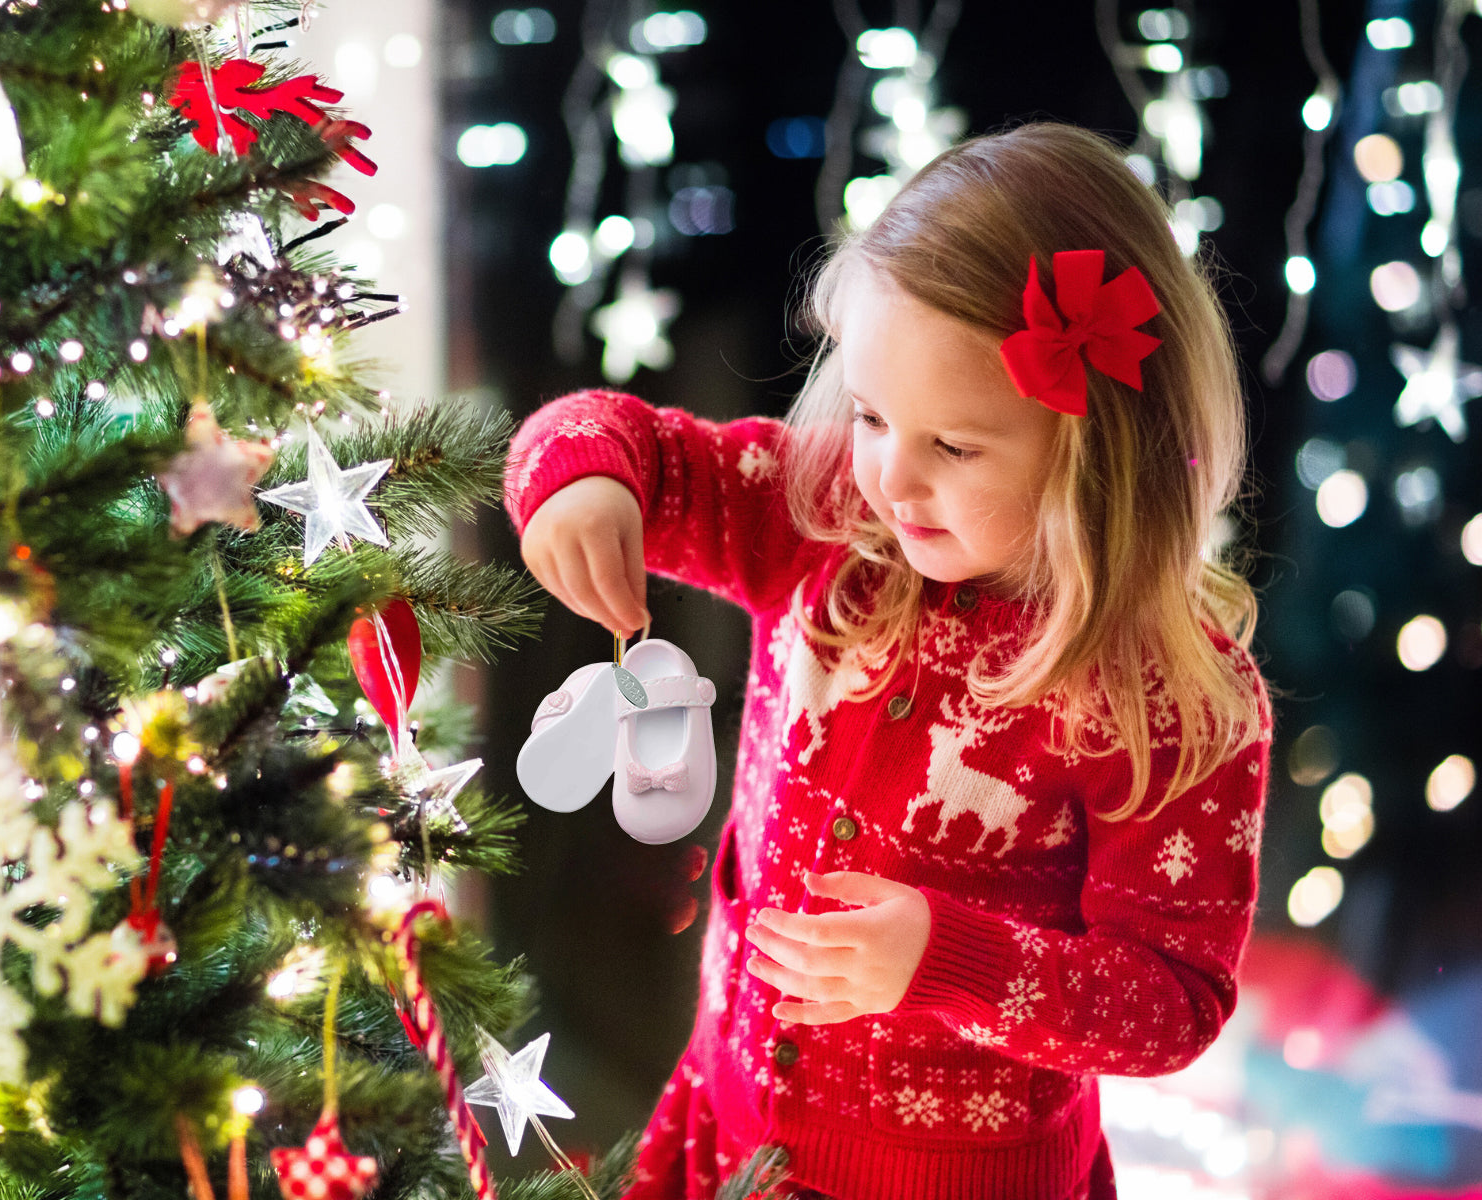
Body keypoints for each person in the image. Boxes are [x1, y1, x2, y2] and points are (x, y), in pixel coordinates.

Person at [503, 122, 1273, 1200]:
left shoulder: (1166, 698)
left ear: (1096, 446)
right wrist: (585, 480)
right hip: (729, 1131)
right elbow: (621, 439)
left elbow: (1173, 1002)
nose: (889, 479)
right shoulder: (823, 526)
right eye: (869, 416)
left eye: (952, 447)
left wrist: (948, 961)